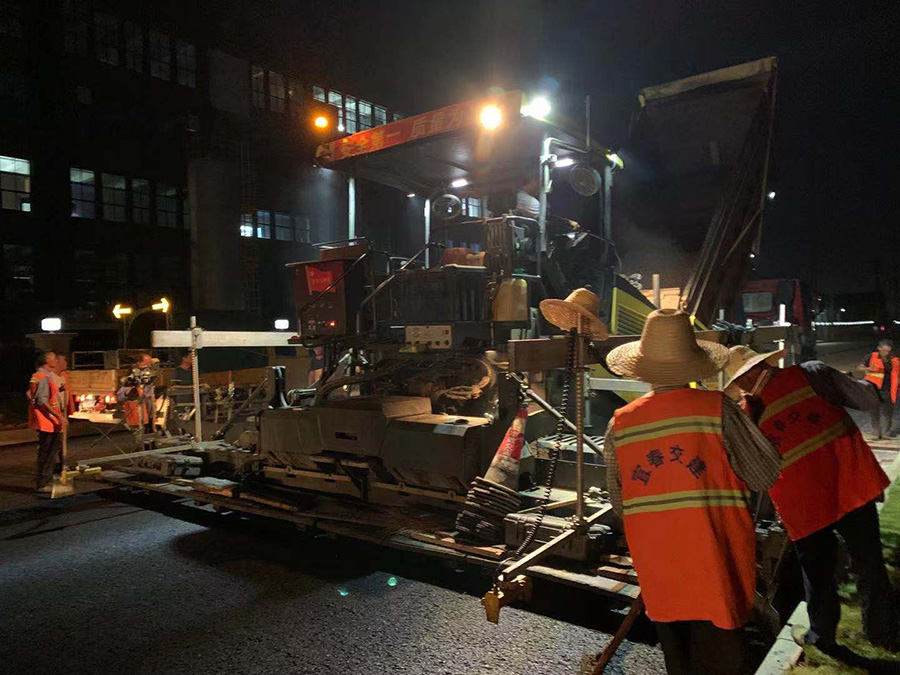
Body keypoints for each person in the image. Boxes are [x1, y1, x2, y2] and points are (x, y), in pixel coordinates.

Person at [601, 310, 781, 675]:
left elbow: (620, 503)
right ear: (693, 364)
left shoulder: (620, 423)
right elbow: (764, 474)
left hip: (659, 570)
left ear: (644, 369)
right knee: (720, 660)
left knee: (679, 661)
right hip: (717, 564)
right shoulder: (717, 409)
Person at [724, 346, 897, 653]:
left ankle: (822, 637)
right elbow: (867, 400)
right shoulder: (813, 373)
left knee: (818, 575)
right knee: (869, 563)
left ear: (749, 375)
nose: (740, 387)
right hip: (850, 485)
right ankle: (883, 633)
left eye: (739, 381)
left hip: (804, 505)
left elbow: (752, 472)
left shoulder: (750, 413)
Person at [28, 350, 65, 493]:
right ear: (47, 361)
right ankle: (44, 482)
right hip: (48, 422)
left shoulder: (38, 376)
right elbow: (42, 400)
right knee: (49, 453)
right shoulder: (43, 377)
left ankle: (42, 481)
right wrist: (58, 416)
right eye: (54, 358)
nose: (56, 361)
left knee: (45, 452)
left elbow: (32, 394)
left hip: (44, 421)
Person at [860, 338, 898, 439]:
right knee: (874, 411)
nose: (886, 353)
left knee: (887, 413)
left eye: (888, 351)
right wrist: (869, 368)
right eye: (884, 350)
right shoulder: (870, 357)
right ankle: (876, 433)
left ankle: (886, 433)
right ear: (879, 348)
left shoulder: (894, 360)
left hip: (888, 389)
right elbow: (860, 367)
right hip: (873, 389)